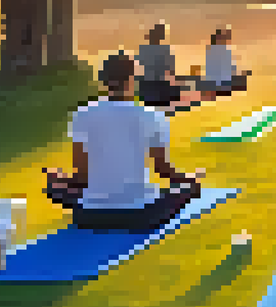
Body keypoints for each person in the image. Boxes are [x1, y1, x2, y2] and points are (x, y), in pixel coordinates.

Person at [44, 52, 204, 232]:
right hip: (141, 215)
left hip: (89, 216)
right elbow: (162, 169)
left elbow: (81, 178)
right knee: (184, 192)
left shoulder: (81, 115)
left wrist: (60, 180)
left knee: (55, 189)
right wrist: (190, 179)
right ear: (132, 79)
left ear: (103, 81)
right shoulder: (153, 115)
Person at [199, 26, 250, 97]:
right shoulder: (222, 51)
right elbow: (227, 70)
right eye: (225, 37)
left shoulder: (212, 50)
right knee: (241, 80)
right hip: (222, 83)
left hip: (215, 83)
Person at [136, 22, 180, 107]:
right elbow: (171, 68)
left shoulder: (143, 49)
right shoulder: (165, 50)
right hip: (159, 84)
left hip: (147, 84)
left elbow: (140, 66)